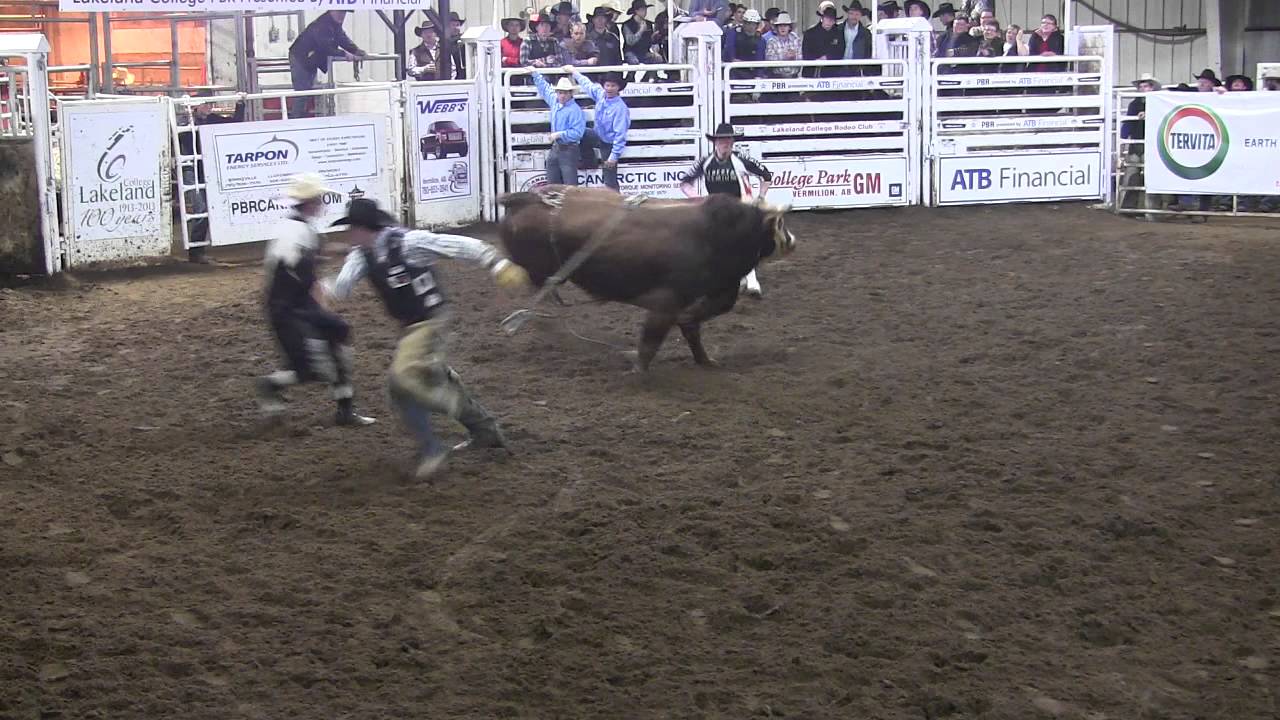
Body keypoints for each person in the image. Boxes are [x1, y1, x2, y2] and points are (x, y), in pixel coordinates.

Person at [322, 199, 530, 480]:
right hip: (412, 329)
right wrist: (319, 287)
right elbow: (342, 288)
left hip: (432, 322)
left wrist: (496, 262)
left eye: (351, 229)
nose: (349, 235)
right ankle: (482, 432)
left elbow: (457, 245)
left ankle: (439, 435)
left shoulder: (407, 243)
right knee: (401, 390)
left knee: (404, 376)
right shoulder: (362, 255)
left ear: (362, 228)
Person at [255, 174, 376, 428]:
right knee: (307, 368)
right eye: (318, 198)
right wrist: (318, 289)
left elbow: (306, 258)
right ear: (310, 201)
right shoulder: (293, 231)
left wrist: (347, 250)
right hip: (287, 308)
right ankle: (269, 385)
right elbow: (292, 267)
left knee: (338, 332)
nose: (322, 202)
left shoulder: (300, 227)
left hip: (296, 304)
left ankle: (345, 408)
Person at [679, 123, 773, 298]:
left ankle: (751, 281)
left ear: (732, 142)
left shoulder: (741, 160)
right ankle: (740, 279)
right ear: (715, 142)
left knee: (743, 243)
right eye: (722, 140)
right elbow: (685, 182)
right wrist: (698, 198)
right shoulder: (705, 162)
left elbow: (766, 176)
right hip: (717, 209)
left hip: (742, 207)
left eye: (728, 140)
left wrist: (760, 197)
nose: (725, 143)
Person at [177, 90, 244, 264]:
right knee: (201, 210)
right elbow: (183, 140)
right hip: (193, 169)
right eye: (206, 104)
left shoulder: (207, 120)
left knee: (204, 210)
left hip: (201, 169)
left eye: (210, 104)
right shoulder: (186, 122)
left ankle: (197, 251)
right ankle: (196, 251)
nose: (209, 107)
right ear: (197, 105)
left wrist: (240, 104)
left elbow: (235, 123)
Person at [287, 10, 365, 119]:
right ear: (332, 11)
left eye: (344, 13)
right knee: (302, 92)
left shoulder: (332, 25)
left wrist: (356, 50)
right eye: (340, 12)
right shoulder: (322, 25)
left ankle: (298, 119)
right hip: (301, 58)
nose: (342, 16)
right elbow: (326, 47)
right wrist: (346, 54)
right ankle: (295, 120)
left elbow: (342, 39)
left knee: (304, 92)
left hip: (307, 59)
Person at [566, 65, 630, 191]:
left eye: (613, 86)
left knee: (610, 178)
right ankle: (589, 160)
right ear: (604, 86)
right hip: (598, 136)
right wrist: (574, 72)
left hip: (610, 144)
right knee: (580, 133)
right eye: (607, 85)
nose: (609, 88)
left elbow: (620, 135)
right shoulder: (601, 95)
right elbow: (587, 84)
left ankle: (616, 202)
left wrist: (613, 156)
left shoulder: (620, 108)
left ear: (618, 88)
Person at [531, 69, 586, 185]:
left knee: (569, 185)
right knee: (552, 183)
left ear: (571, 93)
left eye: (565, 93)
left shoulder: (575, 110)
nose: (562, 95)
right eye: (560, 92)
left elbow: (577, 133)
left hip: (569, 149)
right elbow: (544, 88)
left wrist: (559, 134)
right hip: (557, 147)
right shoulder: (555, 102)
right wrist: (535, 74)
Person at [803, 2, 844, 78]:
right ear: (822, 18)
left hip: (833, 74)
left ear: (835, 21)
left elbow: (841, 51)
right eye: (827, 18)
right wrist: (817, 61)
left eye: (832, 19)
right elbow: (805, 54)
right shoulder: (810, 34)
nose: (829, 21)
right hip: (812, 73)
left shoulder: (839, 34)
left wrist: (827, 57)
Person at [724, 9, 766, 77]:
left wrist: (758, 77)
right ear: (744, 23)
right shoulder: (733, 33)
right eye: (748, 23)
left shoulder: (760, 40)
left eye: (754, 23)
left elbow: (760, 60)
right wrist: (734, 60)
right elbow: (730, 54)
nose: (751, 26)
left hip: (751, 73)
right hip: (733, 71)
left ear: (757, 24)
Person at [622, 0, 662, 65]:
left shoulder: (648, 24)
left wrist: (654, 41)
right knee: (634, 61)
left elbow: (651, 41)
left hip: (644, 52)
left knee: (658, 59)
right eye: (643, 9)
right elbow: (630, 42)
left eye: (646, 9)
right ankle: (630, 75)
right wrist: (641, 30)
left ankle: (650, 75)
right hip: (631, 52)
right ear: (636, 11)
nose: (645, 12)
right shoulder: (627, 25)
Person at [764, 13, 802, 79]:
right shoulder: (772, 41)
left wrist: (794, 56)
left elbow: (802, 56)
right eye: (780, 26)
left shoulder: (796, 40)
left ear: (789, 27)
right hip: (777, 78)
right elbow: (769, 59)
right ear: (777, 27)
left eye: (785, 26)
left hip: (794, 78)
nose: (782, 28)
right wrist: (783, 57)